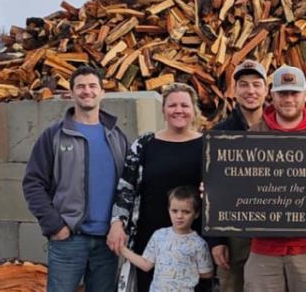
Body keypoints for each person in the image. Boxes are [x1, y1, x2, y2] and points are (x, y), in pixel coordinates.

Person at [22, 66, 128, 292]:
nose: (86, 91)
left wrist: (120, 225)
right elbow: (33, 183)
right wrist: (54, 224)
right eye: (80, 86)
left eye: (92, 86)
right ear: (71, 93)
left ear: (102, 93)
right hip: (68, 239)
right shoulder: (53, 135)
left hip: (108, 242)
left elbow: (128, 187)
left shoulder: (117, 136)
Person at [108, 83, 209, 292]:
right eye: (172, 105)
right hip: (151, 239)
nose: (178, 110)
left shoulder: (209, 145)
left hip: (195, 238)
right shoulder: (145, 144)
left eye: (184, 105)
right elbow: (126, 187)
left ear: (193, 110)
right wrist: (117, 223)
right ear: (163, 110)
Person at [245, 65, 306, 292]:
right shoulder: (253, 135)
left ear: (305, 94)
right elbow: (237, 184)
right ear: (272, 95)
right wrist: (216, 189)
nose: (289, 99)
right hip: (263, 249)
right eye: (283, 93)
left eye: (294, 93)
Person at [207, 60, 269, 292]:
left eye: (256, 84)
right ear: (235, 91)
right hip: (233, 236)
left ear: (266, 90)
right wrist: (217, 240)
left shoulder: (280, 132)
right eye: (243, 85)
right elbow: (210, 191)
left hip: (272, 234)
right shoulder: (219, 134)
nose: (250, 91)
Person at [119, 186, 214, 292]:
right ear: (168, 210)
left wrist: (186, 271)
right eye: (174, 211)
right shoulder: (159, 235)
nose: (179, 216)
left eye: (186, 212)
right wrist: (122, 249)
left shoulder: (199, 244)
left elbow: (207, 273)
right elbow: (146, 264)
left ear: (196, 213)